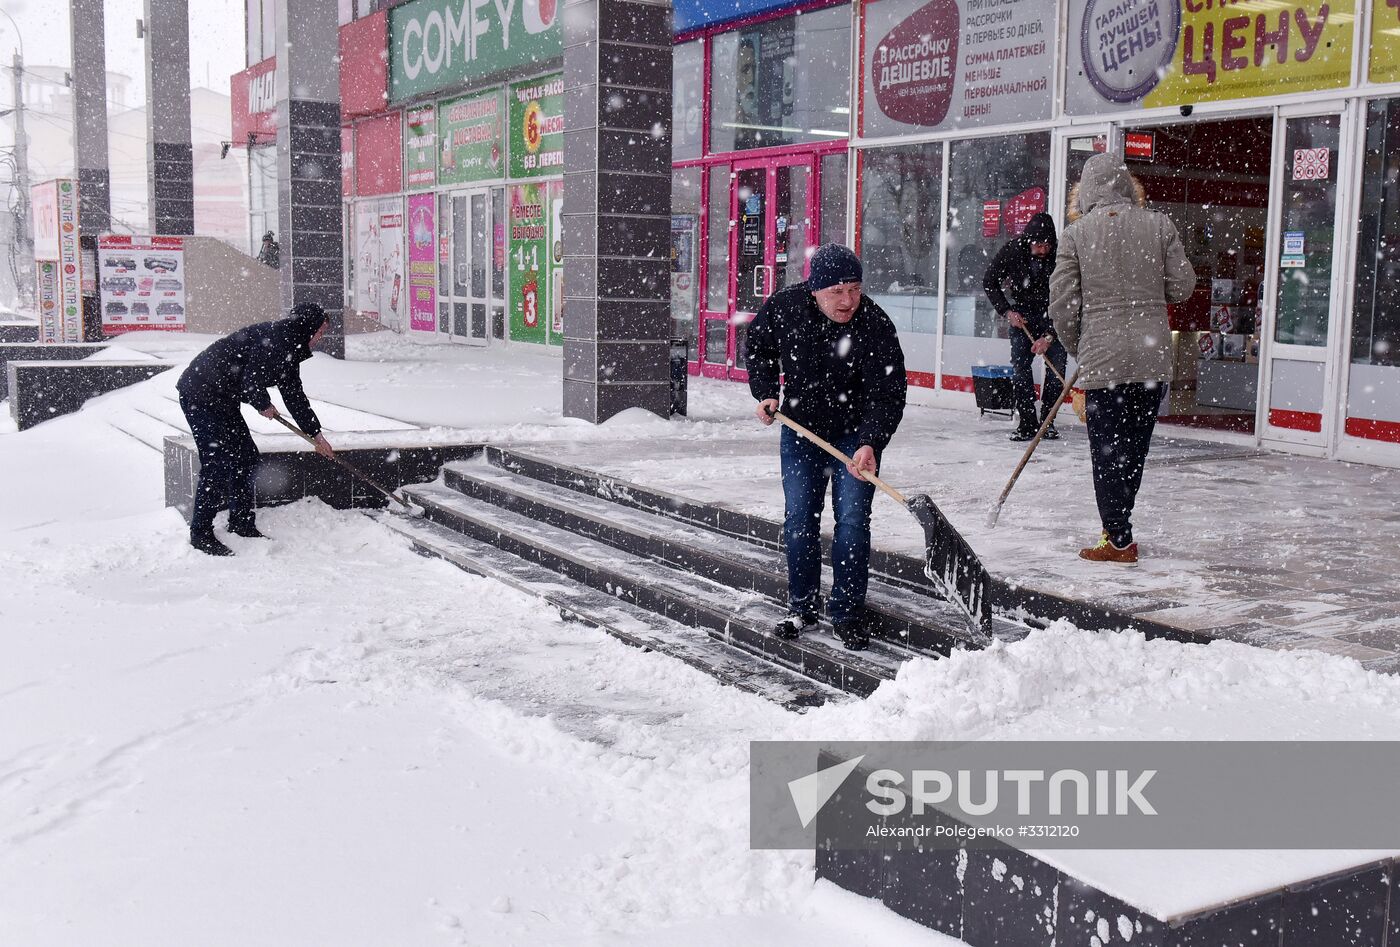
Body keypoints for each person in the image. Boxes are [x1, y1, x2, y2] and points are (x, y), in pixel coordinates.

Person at [747, 244, 907, 650]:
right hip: (802, 429)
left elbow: (889, 392)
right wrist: (766, 393)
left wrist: (871, 441)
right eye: (836, 290)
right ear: (814, 290)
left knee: (853, 520)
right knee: (800, 519)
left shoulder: (874, 324)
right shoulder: (785, 308)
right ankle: (801, 607)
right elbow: (759, 348)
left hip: (857, 434)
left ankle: (847, 611)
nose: (847, 300)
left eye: (854, 288)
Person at [1050, 154, 1195, 565]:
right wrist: (1149, 294)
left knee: (1107, 450)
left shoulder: (1076, 235)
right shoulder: (1159, 225)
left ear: (1086, 192)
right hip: (1151, 357)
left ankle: (1117, 538)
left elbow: (1061, 303)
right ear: (1128, 186)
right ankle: (1119, 528)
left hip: (1103, 360)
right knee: (1134, 449)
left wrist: (1081, 343)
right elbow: (1183, 286)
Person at [176, 303, 336, 556]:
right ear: (308, 329)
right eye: (320, 332)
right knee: (216, 463)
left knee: (246, 456)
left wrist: (315, 434)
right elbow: (251, 380)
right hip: (200, 392)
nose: (321, 338)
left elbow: (294, 395)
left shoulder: (291, 347)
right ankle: (200, 533)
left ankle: (241, 523)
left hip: (223, 396)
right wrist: (262, 403)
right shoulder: (275, 341)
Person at [983, 212, 1067, 441]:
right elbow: (989, 281)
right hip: (1023, 316)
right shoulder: (1013, 251)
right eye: (1038, 246)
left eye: (1046, 246)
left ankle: (1048, 422)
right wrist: (1007, 311)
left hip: (1054, 314)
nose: (1042, 251)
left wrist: (1049, 336)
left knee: (1056, 368)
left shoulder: (1061, 256)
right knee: (1021, 370)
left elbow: (1070, 299)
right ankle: (1027, 423)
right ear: (1028, 241)